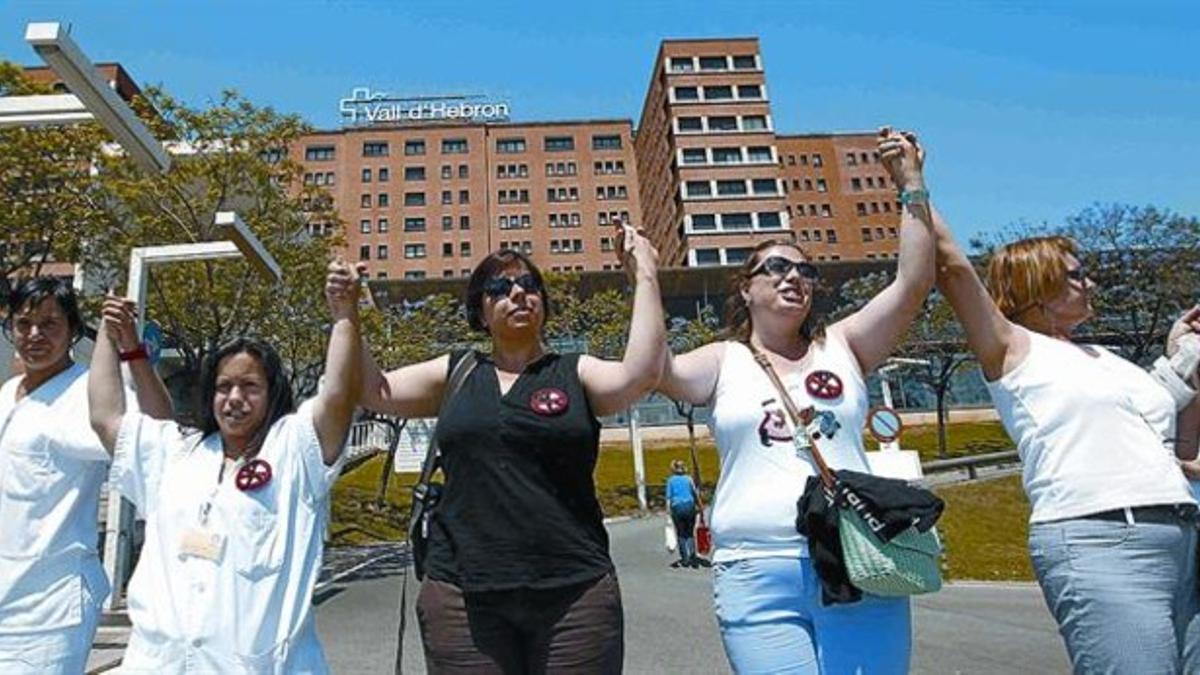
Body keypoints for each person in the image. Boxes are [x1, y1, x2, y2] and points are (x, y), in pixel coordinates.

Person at [656, 129, 936, 674]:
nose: (794, 277)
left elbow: (913, 282)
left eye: (805, 270)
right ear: (745, 289)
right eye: (777, 268)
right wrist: (644, 278)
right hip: (755, 569)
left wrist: (912, 186)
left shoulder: (845, 345)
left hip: (858, 559)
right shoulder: (721, 360)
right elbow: (653, 370)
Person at [357, 223, 663, 673]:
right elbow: (374, 391)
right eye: (500, 287)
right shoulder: (457, 371)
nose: (518, 293)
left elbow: (639, 375)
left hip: (574, 593)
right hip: (462, 596)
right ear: (480, 312)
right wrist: (346, 317)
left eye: (529, 285)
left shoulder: (575, 371)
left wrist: (646, 274)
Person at [928, 184, 1200, 669]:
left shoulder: (1107, 359)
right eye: (1077, 276)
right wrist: (912, 186)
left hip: (1182, 536)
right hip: (1103, 541)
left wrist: (1184, 353)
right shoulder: (1012, 350)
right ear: (1039, 287)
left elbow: (1172, 434)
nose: (1091, 285)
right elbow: (951, 267)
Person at [87, 261, 363, 673]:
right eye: (223, 387)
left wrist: (344, 315)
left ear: (273, 394)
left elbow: (339, 395)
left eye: (250, 386)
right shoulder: (178, 452)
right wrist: (109, 337)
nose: (234, 398)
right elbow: (106, 418)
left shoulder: (293, 450)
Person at [0, 278, 172, 674]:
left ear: (74, 331)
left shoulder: (88, 392)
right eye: (24, 324)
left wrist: (129, 346)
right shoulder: (10, 391)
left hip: (47, 612)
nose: (34, 335)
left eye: (49, 324)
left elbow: (159, 429)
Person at [665, 459, 701, 568]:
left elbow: (668, 498)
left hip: (677, 507)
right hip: (689, 506)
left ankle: (685, 558)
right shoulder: (688, 479)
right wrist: (699, 506)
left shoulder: (671, 481)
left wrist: (668, 512)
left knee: (681, 533)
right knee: (690, 532)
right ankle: (692, 555)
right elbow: (695, 493)